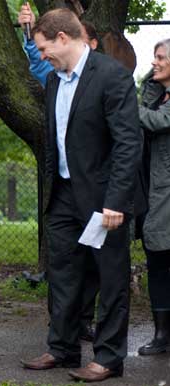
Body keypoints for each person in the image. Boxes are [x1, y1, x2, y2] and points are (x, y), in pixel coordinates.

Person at [20, 8, 142, 382]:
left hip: (104, 200)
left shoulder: (112, 76)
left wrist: (116, 201)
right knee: (62, 275)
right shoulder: (56, 81)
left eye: (42, 49)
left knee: (110, 278)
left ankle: (107, 359)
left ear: (62, 38)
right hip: (63, 196)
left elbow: (127, 143)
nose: (41, 57)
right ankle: (62, 348)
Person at [18, 3, 99, 343]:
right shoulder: (56, 78)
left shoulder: (106, 79)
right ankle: (62, 332)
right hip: (64, 189)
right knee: (64, 264)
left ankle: (84, 322)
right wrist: (28, 31)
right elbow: (40, 63)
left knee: (93, 263)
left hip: (94, 190)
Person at [135, 38, 170, 356]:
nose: (154, 62)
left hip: (166, 196)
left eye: (160, 57)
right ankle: (162, 335)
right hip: (151, 194)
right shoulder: (157, 94)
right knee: (157, 263)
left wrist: (125, 104)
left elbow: (159, 121)